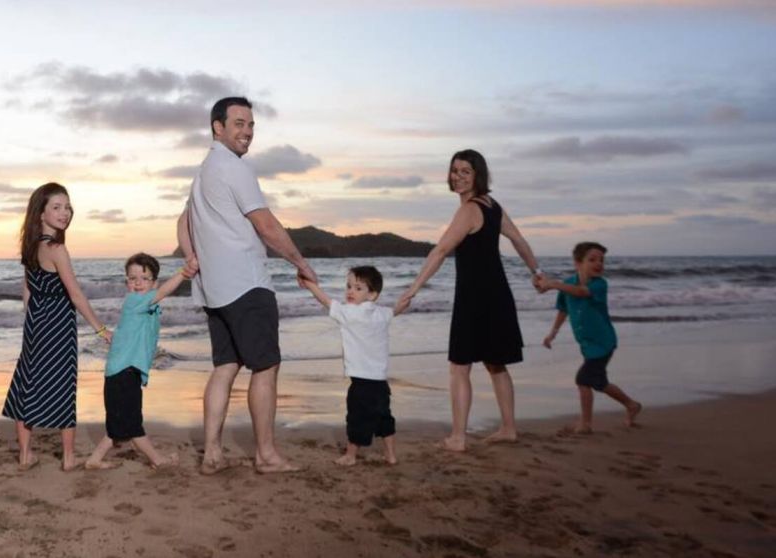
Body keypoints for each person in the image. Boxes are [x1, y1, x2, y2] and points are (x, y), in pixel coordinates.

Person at [176, 96, 318, 474]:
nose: (248, 132)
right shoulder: (235, 167)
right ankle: (266, 455)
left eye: (251, 125)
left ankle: (212, 453)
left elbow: (182, 222)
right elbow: (266, 225)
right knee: (266, 366)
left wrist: (192, 257)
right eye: (239, 123)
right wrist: (301, 263)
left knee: (225, 366)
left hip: (214, 289)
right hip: (246, 284)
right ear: (218, 127)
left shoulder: (203, 172)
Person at [396, 149, 542, 452]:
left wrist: (412, 289)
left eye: (466, 172)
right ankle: (508, 429)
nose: (458, 177)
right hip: (498, 294)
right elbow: (518, 240)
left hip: (475, 298)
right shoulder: (492, 206)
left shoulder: (469, 210)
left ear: (478, 175)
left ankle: (458, 438)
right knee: (496, 364)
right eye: (455, 171)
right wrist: (536, 272)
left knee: (459, 367)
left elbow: (440, 251)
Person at [2, 182, 112, 472]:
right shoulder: (56, 248)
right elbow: (75, 295)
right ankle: (68, 458)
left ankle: (25, 455)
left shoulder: (30, 245)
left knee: (27, 382)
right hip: (59, 323)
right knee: (63, 385)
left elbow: (27, 289)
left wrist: (31, 320)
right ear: (41, 213)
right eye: (57, 207)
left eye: (67, 207)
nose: (65, 213)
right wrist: (101, 330)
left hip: (36, 322)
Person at [84, 253, 196, 470]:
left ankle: (95, 459)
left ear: (154, 282)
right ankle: (157, 460)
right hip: (123, 371)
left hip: (125, 370)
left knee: (120, 421)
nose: (137, 283)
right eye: (132, 278)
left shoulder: (148, 304)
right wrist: (183, 273)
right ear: (127, 281)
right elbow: (163, 292)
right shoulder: (134, 301)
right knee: (132, 423)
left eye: (144, 278)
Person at [300, 266, 401, 466]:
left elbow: (325, 300)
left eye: (358, 288)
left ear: (372, 295)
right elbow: (399, 308)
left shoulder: (349, 313)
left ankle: (350, 456)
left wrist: (309, 283)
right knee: (384, 418)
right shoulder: (382, 314)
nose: (350, 292)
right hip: (381, 382)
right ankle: (390, 455)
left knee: (357, 419)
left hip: (361, 383)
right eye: (348, 286)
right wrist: (412, 292)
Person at [541, 242, 642, 433]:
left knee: (583, 380)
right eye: (592, 259)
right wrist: (552, 333)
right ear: (578, 262)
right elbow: (563, 309)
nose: (598, 264)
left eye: (602, 260)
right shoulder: (568, 283)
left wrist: (553, 284)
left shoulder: (599, 284)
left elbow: (581, 292)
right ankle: (632, 405)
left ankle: (585, 424)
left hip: (603, 342)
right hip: (587, 344)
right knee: (599, 382)